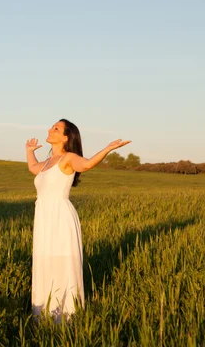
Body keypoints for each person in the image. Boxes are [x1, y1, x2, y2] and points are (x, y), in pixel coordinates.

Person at [25, 119, 131, 323]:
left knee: (61, 262)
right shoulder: (48, 162)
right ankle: (45, 314)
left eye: (55, 128)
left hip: (60, 218)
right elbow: (33, 168)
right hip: (44, 219)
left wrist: (108, 148)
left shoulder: (69, 158)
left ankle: (66, 317)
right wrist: (30, 150)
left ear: (66, 137)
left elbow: (88, 163)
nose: (49, 129)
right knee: (45, 261)